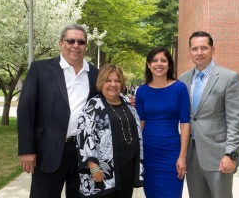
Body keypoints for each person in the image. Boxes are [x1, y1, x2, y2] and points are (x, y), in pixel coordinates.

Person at [17, 24, 99, 198]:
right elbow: (25, 110)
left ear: (85, 46)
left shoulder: (95, 74)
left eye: (81, 42)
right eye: (70, 40)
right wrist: (26, 150)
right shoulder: (40, 69)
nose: (75, 45)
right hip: (48, 151)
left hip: (82, 154)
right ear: (61, 43)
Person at [179, 31, 239, 198]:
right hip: (192, 156)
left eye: (204, 48)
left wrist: (231, 154)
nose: (199, 53)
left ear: (212, 49)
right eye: (195, 49)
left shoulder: (229, 78)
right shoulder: (183, 79)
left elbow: (235, 121)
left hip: (219, 155)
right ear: (190, 51)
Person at [76, 64, 143, 198]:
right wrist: (94, 167)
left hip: (127, 171)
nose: (113, 84)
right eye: (108, 80)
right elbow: (84, 138)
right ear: (101, 83)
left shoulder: (127, 104)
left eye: (117, 80)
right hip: (103, 174)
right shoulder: (93, 106)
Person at [135, 47, 190, 198]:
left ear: (169, 64)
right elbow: (141, 123)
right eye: (154, 60)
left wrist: (182, 156)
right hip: (148, 154)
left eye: (163, 60)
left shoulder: (179, 88)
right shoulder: (142, 91)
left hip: (172, 154)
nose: (159, 64)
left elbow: (185, 123)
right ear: (148, 64)